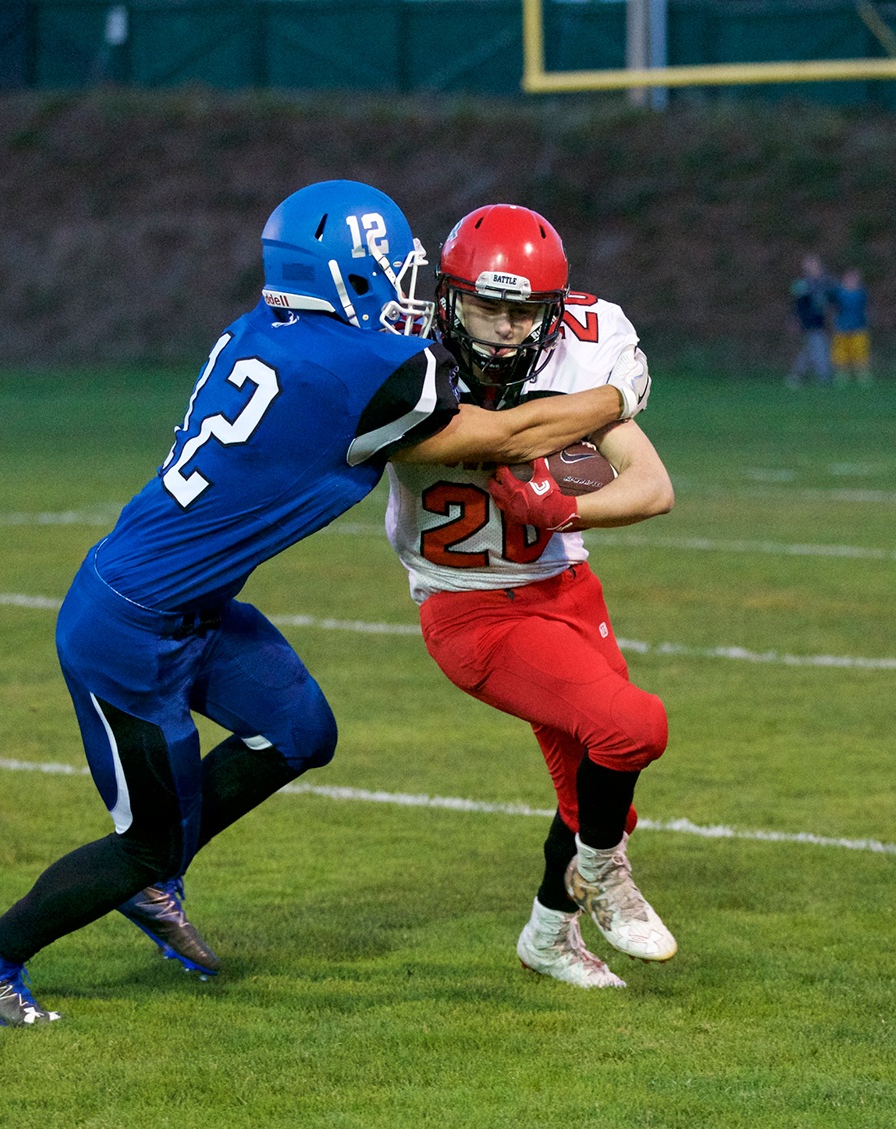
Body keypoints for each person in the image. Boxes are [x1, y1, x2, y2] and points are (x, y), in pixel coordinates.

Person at [0, 179, 653, 1026]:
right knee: (144, 841)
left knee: (303, 731)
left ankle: (156, 876)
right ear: (344, 278)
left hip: (191, 603)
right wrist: (617, 395)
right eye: (391, 272)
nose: (406, 292)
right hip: (127, 628)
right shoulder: (357, 369)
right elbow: (500, 437)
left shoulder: (264, 331)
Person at [385, 204, 676, 989]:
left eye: (523, 310)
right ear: (448, 298)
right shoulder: (397, 356)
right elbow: (502, 438)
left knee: (599, 786)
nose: (505, 327)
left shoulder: (583, 346)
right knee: (634, 726)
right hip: (468, 604)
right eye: (487, 304)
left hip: (566, 584)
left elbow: (652, 486)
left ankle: (549, 934)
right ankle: (605, 874)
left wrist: (564, 505)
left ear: (553, 312)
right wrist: (608, 401)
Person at [787, 253, 835, 388]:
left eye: (814, 264)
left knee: (810, 350)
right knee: (819, 346)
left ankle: (795, 375)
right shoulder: (802, 285)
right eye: (809, 265)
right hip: (808, 322)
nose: (813, 267)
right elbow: (796, 305)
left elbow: (831, 299)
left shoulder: (825, 282)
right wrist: (794, 320)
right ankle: (824, 376)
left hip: (820, 321)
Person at [830, 267, 871, 386]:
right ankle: (842, 377)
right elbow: (833, 307)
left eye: (854, 278)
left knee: (860, 353)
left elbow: (866, 309)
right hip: (842, 328)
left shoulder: (861, 293)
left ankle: (863, 377)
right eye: (849, 278)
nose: (851, 281)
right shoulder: (839, 293)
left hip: (859, 328)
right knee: (841, 354)